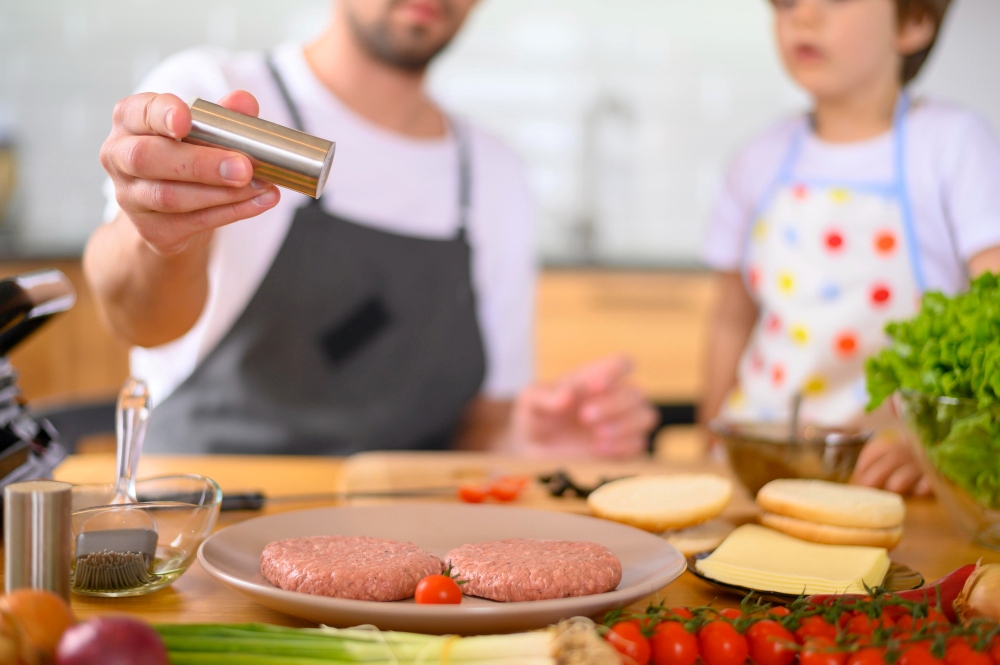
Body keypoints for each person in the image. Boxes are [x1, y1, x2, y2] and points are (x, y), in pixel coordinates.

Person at [85, 0, 657, 457]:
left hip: (406, 544)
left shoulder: (494, 174)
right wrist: (154, 233)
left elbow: (483, 426)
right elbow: (138, 321)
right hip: (211, 518)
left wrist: (525, 443)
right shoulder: (213, 94)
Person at [699, 0, 1000, 494]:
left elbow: (993, 312)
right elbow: (731, 318)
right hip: (758, 458)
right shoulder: (756, 158)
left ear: (913, 21)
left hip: (883, 472)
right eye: (785, 2)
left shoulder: (954, 146)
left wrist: (938, 441)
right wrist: (709, 442)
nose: (803, 16)